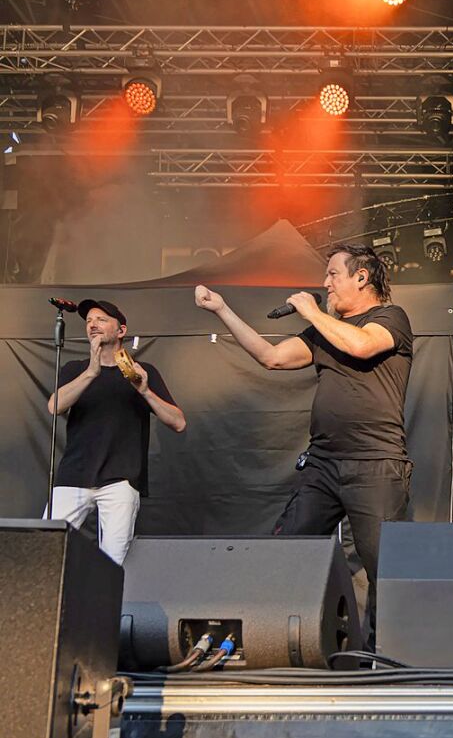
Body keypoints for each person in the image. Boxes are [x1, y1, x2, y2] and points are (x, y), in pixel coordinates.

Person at [194, 243, 412, 645]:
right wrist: (221, 310)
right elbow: (272, 357)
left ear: (361, 277)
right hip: (324, 464)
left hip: (375, 464)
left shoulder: (390, 318)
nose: (325, 284)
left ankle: (387, 658)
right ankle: (272, 641)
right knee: (289, 549)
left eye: (333, 275)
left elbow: (361, 346)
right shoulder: (322, 332)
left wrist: (312, 310)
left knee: (386, 567)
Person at [46, 300, 186, 565]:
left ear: (121, 330)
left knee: (113, 562)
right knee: (48, 551)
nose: (93, 325)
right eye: (88, 321)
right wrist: (91, 372)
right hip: (73, 477)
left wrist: (144, 391)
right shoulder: (75, 370)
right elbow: (55, 406)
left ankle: (106, 608)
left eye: (101, 319)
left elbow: (178, 423)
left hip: (120, 480)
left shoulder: (140, 372)